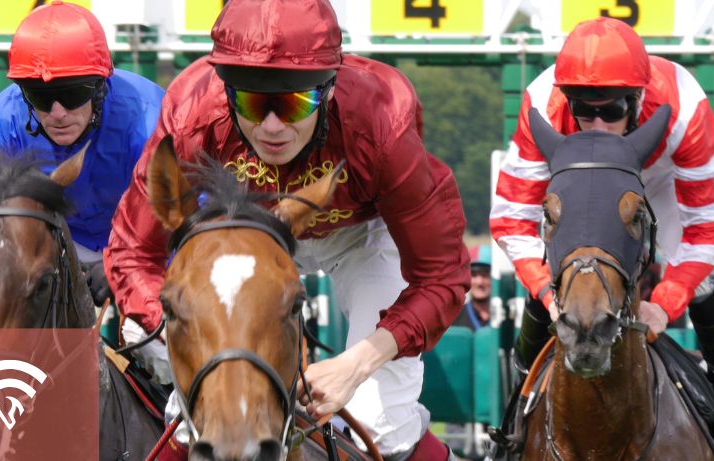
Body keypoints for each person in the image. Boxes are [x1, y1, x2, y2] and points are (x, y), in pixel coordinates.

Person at [104, 0, 470, 458]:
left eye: (296, 102)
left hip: (359, 237)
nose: (272, 126)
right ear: (227, 91)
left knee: (382, 425)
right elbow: (132, 253)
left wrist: (358, 364)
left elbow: (443, 275)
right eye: (253, 102)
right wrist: (182, 327)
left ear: (329, 90)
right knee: (185, 403)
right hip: (242, 237)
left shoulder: (382, 122)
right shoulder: (192, 112)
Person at [490, 16, 714, 402]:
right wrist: (545, 292)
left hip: (663, 179)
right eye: (583, 110)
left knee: (700, 281)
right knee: (557, 270)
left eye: (612, 111)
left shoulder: (685, 107)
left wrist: (665, 302)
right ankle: (518, 403)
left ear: (639, 98)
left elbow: (708, 227)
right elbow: (512, 218)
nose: (597, 125)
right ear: (566, 99)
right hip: (582, 179)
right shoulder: (542, 103)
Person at [0, 1, 165, 309]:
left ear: (100, 87)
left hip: (144, 245)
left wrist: (123, 261)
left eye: (73, 94)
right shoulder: (7, 115)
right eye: (41, 97)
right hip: (54, 241)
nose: (58, 113)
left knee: (156, 342)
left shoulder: (149, 118)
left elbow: (182, 215)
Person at [453, 245, 492, 331]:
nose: (479, 282)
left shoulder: (507, 320)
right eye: (473, 275)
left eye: (485, 275)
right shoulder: (453, 319)